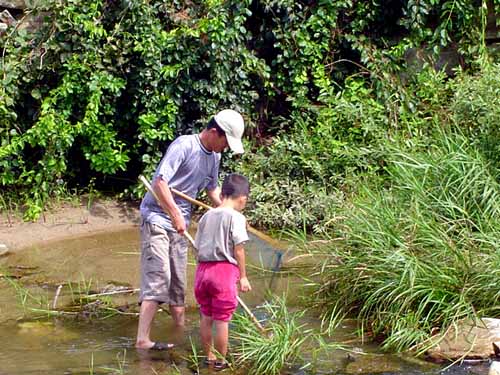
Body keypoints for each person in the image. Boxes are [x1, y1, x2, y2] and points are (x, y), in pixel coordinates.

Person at [136, 109, 245, 350]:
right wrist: (174, 213)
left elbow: (212, 189)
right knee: (159, 277)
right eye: (226, 142)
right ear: (215, 132)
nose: (225, 148)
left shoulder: (214, 157)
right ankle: (142, 339)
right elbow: (160, 182)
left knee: (178, 282)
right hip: (157, 218)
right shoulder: (184, 145)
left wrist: (230, 211)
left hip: (180, 224)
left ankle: (179, 332)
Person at [194, 173, 251, 370]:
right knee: (222, 319)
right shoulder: (237, 217)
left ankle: (208, 356)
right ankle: (221, 361)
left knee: (206, 315)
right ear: (242, 198)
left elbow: (197, 246)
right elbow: (239, 249)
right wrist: (243, 276)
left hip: (202, 271)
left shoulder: (206, 216)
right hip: (224, 271)